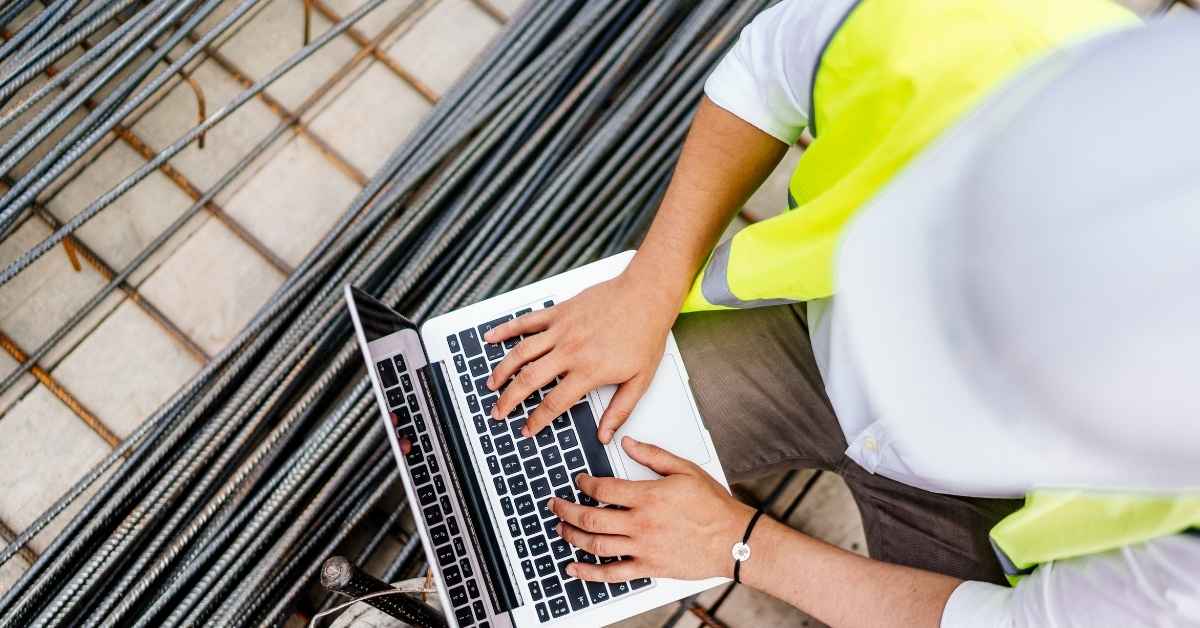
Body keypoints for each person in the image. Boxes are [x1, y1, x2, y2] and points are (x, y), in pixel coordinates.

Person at [480, 2, 1200, 626]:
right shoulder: (989, 26)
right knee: (524, 458)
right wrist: (651, 283)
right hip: (812, 339)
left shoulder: (1185, 546)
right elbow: (769, 68)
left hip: (991, 510)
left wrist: (740, 545)